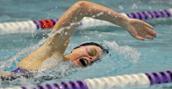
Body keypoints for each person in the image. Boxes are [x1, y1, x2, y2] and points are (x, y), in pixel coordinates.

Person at [0, 1, 156, 78]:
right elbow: (81, 7)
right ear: (75, 48)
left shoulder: (61, 73)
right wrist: (124, 22)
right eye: (91, 51)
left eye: (93, 60)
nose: (90, 58)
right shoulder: (54, 50)